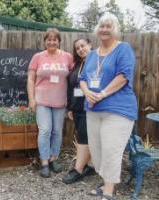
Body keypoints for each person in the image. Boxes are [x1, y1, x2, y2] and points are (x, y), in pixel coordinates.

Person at [79, 13, 137, 200]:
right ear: (97, 29)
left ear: (115, 29)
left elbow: (123, 76)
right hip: (93, 109)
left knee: (111, 150)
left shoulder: (123, 49)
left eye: (108, 26)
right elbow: (82, 79)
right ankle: (106, 182)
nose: (104, 29)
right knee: (97, 151)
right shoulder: (92, 54)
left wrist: (102, 94)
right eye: (102, 26)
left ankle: (109, 192)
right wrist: (87, 92)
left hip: (118, 110)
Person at [27, 28, 74, 178]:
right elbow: (30, 79)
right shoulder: (38, 57)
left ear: (59, 41)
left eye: (55, 39)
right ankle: (44, 162)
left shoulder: (67, 57)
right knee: (45, 130)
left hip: (60, 101)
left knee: (57, 132)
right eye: (49, 39)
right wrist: (31, 99)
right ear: (45, 41)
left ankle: (54, 158)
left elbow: (74, 77)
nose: (52, 42)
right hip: (42, 101)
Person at [62, 38, 96, 184]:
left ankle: (78, 169)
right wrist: (70, 107)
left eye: (83, 46)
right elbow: (71, 87)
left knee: (84, 138)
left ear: (90, 45)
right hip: (77, 108)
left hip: (90, 107)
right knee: (86, 137)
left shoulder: (97, 62)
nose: (80, 49)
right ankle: (91, 166)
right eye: (77, 48)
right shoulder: (78, 64)